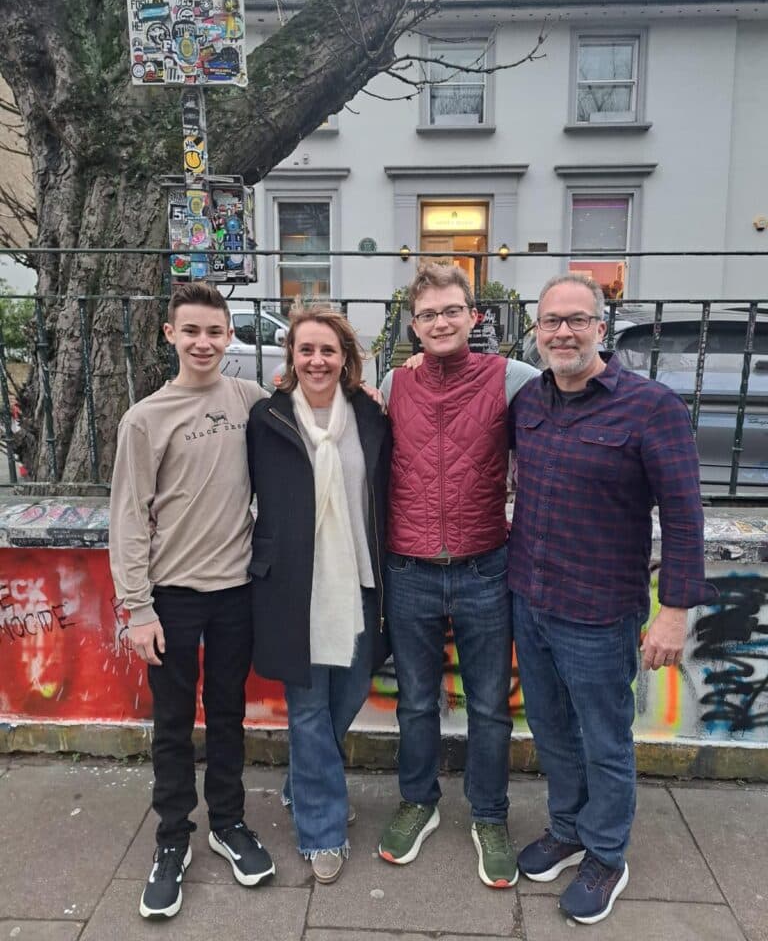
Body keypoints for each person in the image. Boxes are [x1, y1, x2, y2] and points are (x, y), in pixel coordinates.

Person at [508, 273, 718, 924]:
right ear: (537, 332)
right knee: (549, 729)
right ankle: (568, 830)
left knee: (604, 739)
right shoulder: (529, 402)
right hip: (529, 598)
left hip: (599, 614)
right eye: (551, 322)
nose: (563, 332)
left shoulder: (650, 406)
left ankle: (606, 854)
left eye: (577, 320)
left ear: (601, 327)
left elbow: (684, 516)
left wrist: (675, 612)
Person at [109, 282, 275, 921]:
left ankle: (227, 823)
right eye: (191, 331)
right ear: (169, 334)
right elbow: (127, 516)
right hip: (170, 598)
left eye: (215, 332)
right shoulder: (145, 418)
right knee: (173, 723)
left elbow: (308, 419)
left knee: (230, 714)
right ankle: (171, 838)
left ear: (230, 335)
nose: (203, 343)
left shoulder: (250, 400)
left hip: (236, 592)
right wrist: (136, 606)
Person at [377, 263, 539, 887]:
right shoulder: (394, 385)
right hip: (409, 568)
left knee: (491, 708)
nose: (440, 323)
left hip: (483, 566)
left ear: (475, 318)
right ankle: (418, 801)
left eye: (451, 311)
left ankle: (490, 816)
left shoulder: (512, 378)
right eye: (427, 315)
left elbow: (575, 392)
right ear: (413, 326)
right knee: (417, 702)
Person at [246, 304, 390, 885]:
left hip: (361, 578)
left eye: (328, 350)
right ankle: (321, 830)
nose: (317, 360)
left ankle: (303, 782)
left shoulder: (371, 416)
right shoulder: (268, 418)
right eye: (306, 350)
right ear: (291, 358)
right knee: (307, 710)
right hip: (294, 585)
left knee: (350, 692)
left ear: (345, 358)